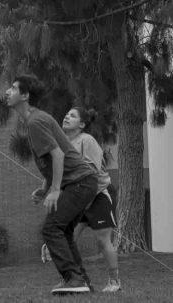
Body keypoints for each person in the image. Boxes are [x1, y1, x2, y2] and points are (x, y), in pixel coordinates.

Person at [5, 75, 99, 295]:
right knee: (63, 230)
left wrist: (56, 190)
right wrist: (45, 187)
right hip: (82, 182)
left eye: (13, 88)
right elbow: (51, 158)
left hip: (80, 182)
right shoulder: (33, 120)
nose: (7, 91)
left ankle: (73, 278)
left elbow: (58, 155)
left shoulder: (35, 121)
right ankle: (81, 281)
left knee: (51, 228)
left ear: (25, 95)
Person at [60, 106, 121, 293]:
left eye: (72, 115)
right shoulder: (63, 144)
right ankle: (78, 280)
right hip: (79, 199)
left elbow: (92, 172)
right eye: (66, 113)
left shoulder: (87, 140)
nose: (66, 116)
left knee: (103, 241)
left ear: (82, 124)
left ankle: (114, 282)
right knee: (68, 239)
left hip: (97, 196)